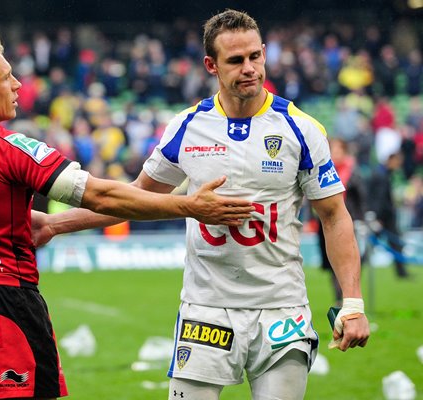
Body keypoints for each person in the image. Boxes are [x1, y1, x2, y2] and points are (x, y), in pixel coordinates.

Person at [0, 37, 254, 400]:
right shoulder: (10, 147)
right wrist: (189, 206)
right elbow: (101, 194)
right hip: (4, 306)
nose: (17, 85)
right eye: (7, 77)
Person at [32, 10, 370, 400]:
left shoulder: (302, 128)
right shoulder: (187, 126)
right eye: (235, 60)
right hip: (205, 311)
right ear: (211, 65)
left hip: (282, 309)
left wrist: (353, 303)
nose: (250, 69)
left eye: (255, 57)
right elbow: (138, 197)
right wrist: (55, 225)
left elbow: (334, 215)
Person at [316, 138, 366, 306]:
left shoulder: (353, 172)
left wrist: (361, 219)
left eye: (338, 150)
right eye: (332, 150)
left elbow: (360, 200)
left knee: (349, 260)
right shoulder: (320, 170)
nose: (335, 154)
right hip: (325, 223)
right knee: (332, 264)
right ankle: (339, 298)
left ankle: (349, 298)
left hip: (349, 222)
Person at [368, 150, 409, 278]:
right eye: (397, 162)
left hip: (386, 216)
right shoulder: (381, 175)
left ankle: (402, 273)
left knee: (396, 244)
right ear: (391, 160)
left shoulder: (384, 173)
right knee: (369, 245)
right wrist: (377, 217)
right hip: (383, 217)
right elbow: (379, 199)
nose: (398, 165)